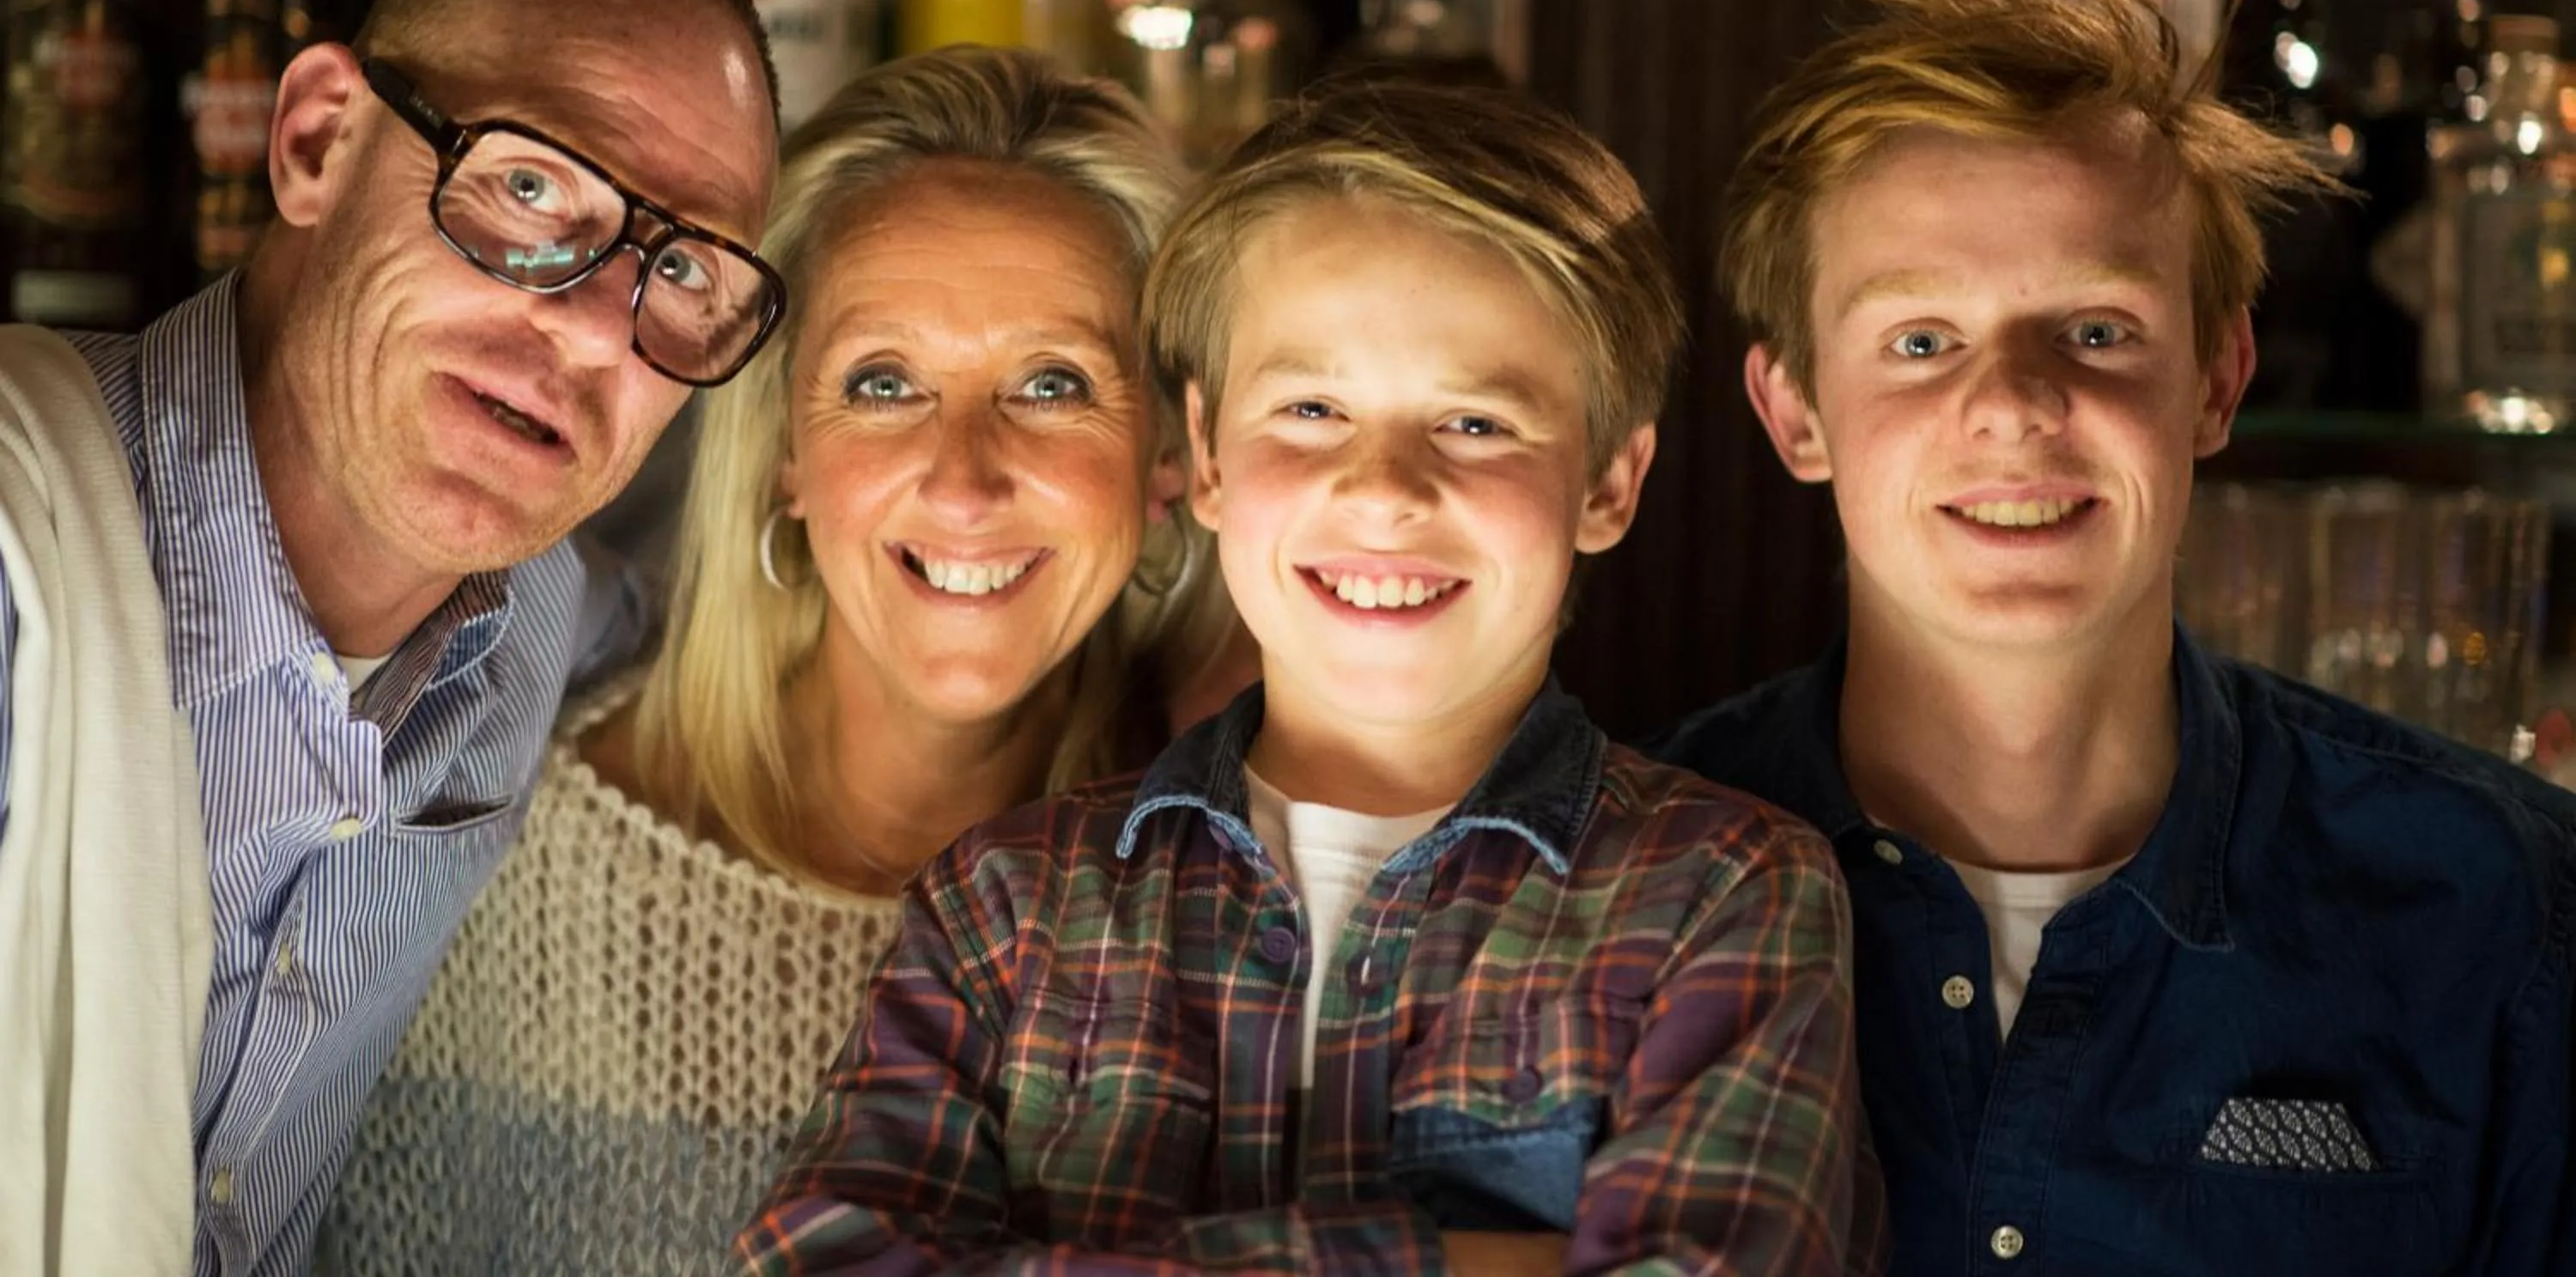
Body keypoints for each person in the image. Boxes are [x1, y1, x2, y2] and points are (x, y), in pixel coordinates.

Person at [736, 79, 1880, 1274]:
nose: (1384, 488)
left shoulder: (1722, 894)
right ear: (1209, 459)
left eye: (1476, 425)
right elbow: (820, 1255)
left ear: (1608, 484)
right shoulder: (1007, 904)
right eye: (1313, 409)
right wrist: (1475, 1262)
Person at [1659, 0, 2576, 1274]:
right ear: (1794, 413)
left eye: (2098, 330)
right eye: (1921, 341)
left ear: (2215, 377)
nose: (2017, 404)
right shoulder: (1627, 892)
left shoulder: (2508, 907)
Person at [324, 46, 1225, 1274]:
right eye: (886, 381)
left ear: (1168, 459)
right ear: (787, 447)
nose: (964, 481)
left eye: (1053, 384)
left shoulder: (1250, 914)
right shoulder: (501, 854)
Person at [0, 0, 783, 1277]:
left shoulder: (545, 624)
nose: (589, 327)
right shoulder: (23, 566)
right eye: (532, 187)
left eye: (682, 270)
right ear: (314, 142)